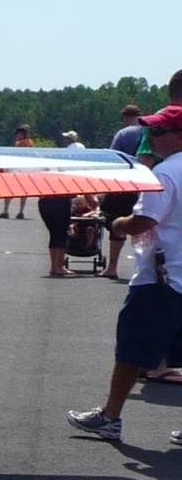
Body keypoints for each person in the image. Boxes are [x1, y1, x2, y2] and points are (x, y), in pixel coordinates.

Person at [69, 103, 182, 443]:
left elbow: (145, 221)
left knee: (131, 349)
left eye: (158, 132)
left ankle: (110, 417)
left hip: (160, 278)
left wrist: (117, 223)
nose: (151, 137)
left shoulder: (165, 174)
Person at [100, 107, 145, 278]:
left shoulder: (123, 134)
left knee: (116, 224)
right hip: (147, 182)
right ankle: (144, 268)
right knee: (146, 225)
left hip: (124, 183)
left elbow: (114, 158)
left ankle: (112, 267)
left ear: (126, 118)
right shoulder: (150, 132)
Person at [0, 127, 32, 218]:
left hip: (17, 169)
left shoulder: (20, 143)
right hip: (26, 169)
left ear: (22, 134)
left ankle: (6, 211)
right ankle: (21, 211)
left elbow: (16, 156)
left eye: (18, 134)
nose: (17, 136)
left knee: (9, 189)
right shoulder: (30, 143)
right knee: (24, 192)